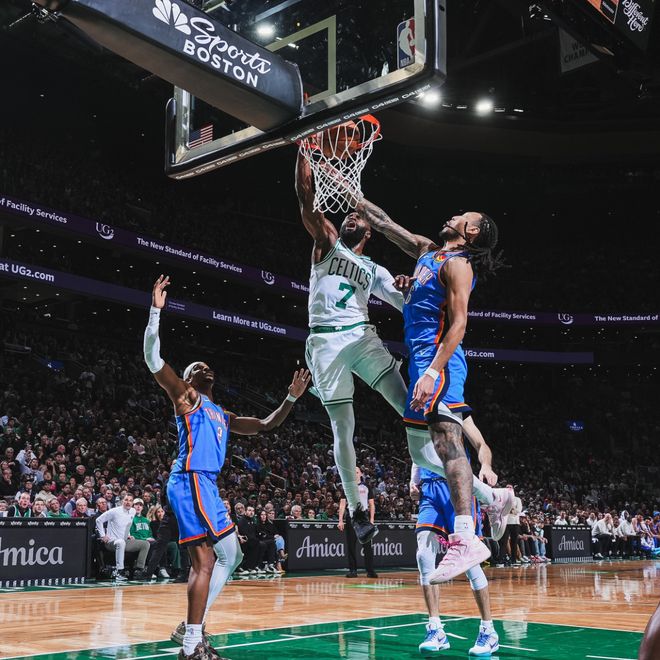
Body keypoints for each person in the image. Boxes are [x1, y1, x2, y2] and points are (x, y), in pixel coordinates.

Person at [143, 274, 310, 660]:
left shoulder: (223, 413)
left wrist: (290, 397)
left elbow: (266, 425)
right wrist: (155, 312)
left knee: (231, 555)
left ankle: (191, 628)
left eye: (208, 365)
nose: (206, 367)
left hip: (206, 485)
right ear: (189, 378)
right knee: (204, 560)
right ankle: (192, 643)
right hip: (190, 479)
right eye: (198, 365)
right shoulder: (187, 397)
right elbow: (153, 359)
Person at [355, 198, 512, 581]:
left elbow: (458, 325)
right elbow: (386, 224)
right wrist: (352, 192)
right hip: (420, 361)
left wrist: (432, 372)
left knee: (446, 441)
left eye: (463, 216)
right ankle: (494, 498)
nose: (453, 215)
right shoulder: (429, 252)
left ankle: (465, 537)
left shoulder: (459, 265)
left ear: (472, 231)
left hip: (440, 362)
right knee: (419, 452)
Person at [295, 154, 410, 545]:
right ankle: (357, 510)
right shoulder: (326, 243)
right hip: (324, 343)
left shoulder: (376, 270)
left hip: (360, 335)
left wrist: (410, 287)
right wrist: (304, 149)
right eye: (348, 214)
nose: (351, 217)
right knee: (343, 429)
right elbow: (305, 195)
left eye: (358, 217)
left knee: (408, 406)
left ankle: (451, 475)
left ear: (369, 231)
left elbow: (407, 305)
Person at [410, 418, 499, 655]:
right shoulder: (418, 410)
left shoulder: (456, 410)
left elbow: (481, 445)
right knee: (423, 555)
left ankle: (489, 631)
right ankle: (435, 629)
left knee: (469, 562)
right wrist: (413, 478)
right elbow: (417, 448)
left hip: (457, 487)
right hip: (429, 489)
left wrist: (486, 466)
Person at [95, 493, 150, 580]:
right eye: (126, 500)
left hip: (124, 541)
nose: (128, 502)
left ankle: (138, 570)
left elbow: (127, 524)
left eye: (130, 500)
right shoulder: (114, 511)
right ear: (122, 501)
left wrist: (129, 535)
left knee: (145, 544)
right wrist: (102, 536)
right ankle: (119, 571)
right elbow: (98, 520)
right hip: (111, 542)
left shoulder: (133, 511)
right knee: (120, 542)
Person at [338, 467, 378, 578]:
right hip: (351, 517)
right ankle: (353, 571)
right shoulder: (347, 486)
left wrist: (372, 520)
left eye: (357, 472)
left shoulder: (366, 487)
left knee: (367, 546)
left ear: (360, 474)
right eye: (353, 472)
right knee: (351, 545)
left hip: (364, 518)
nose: (355, 474)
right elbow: (342, 504)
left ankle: (370, 571)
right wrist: (340, 520)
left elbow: (371, 505)